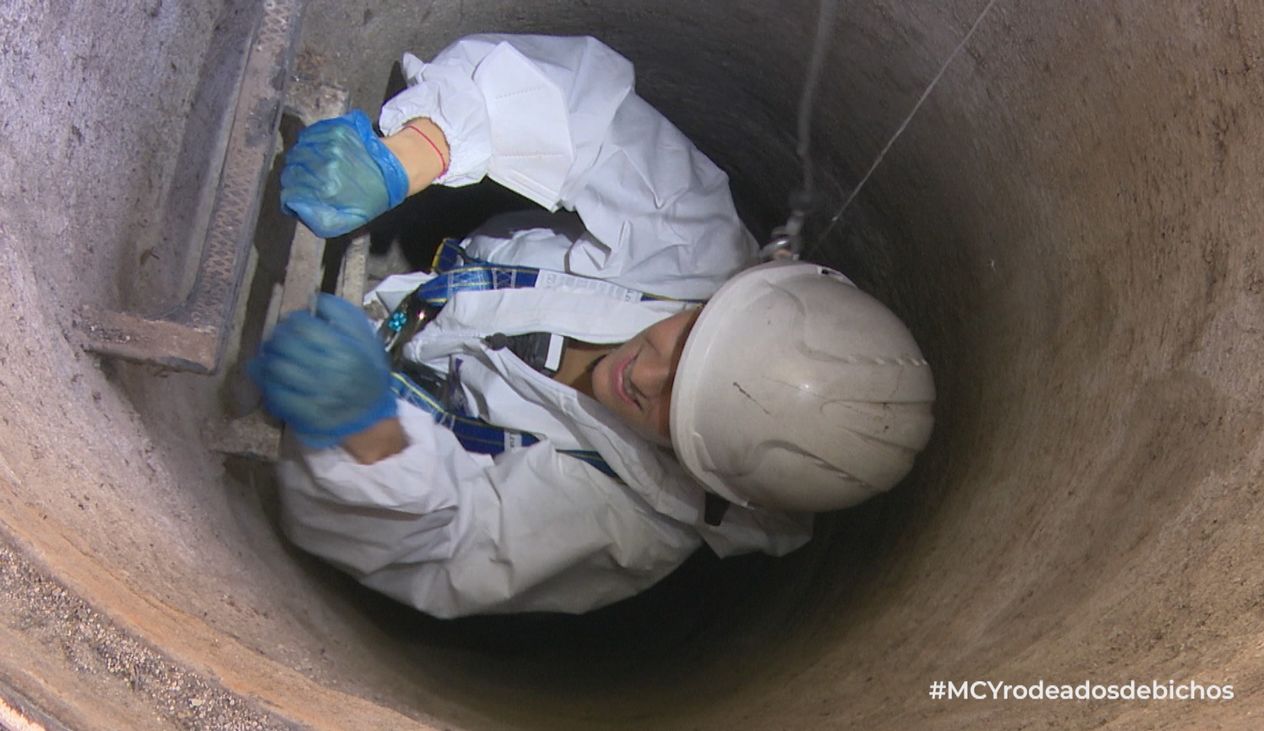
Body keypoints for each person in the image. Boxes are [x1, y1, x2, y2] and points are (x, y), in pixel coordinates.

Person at [251, 34, 935, 619]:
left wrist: (359, 428)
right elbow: (580, 117)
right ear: (744, 291)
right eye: (688, 338)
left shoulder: (635, 526)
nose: (642, 371)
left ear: (715, 479)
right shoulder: (700, 244)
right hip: (426, 288)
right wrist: (412, 155)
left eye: (676, 409)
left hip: (362, 406)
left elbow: (452, 538)